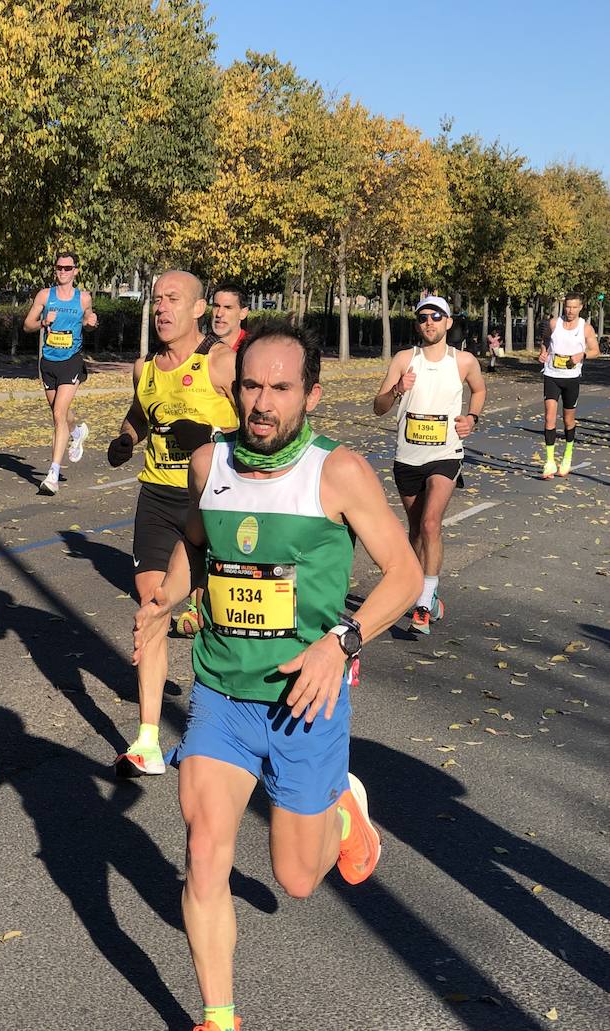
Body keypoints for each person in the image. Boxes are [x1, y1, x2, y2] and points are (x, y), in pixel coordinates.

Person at [135, 322, 422, 1031]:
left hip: (305, 696)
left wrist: (342, 641)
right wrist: (166, 599)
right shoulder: (209, 464)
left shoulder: (339, 472)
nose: (262, 402)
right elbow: (198, 549)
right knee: (203, 851)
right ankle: (220, 1017)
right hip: (223, 695)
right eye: (251, 386)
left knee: (297, 878)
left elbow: (407, 574)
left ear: (311, 395)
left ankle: (343, 809)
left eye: (280, 388)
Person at [107, 270, 237, 776]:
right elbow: (140, 414)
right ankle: (147, 741)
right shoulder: (145, 368)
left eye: (173, 300)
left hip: (214, 499)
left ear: (199, 308)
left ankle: (219, 726)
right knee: (153, 608)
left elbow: (261, 433)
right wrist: (125, 438)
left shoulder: (223, 363)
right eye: (156, 300)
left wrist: (206, 433)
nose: (161, 308)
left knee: (222, 616)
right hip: (158, 497)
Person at [372, 296, 485, 634]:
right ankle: (428, 598)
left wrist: (472, 419)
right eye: (422, 318)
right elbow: (378, 407)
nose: (429, 323)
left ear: (448, 322)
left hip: (446, 454)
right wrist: (396, 389)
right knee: (417, 530)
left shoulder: (463, 361)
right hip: (407, 457)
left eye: (436, 317)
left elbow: (478, 391)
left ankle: (423, 604)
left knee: (432, 523)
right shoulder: (405, 359)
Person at [22, 251, 97, 495]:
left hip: (71, 361)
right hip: (49, 362)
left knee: (58, 413)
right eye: (59, 268)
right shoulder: (45, 295)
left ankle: (52, 474)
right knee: (60, 413)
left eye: (67, 268)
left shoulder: (83, 297)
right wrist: (43, 322)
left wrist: (91, 320)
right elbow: (27, 325)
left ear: (76, 270)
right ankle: (78, 432)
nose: (63, 272)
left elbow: (88, 316)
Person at [538, 292, 599, 479]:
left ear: (581, 307)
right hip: (552, 374)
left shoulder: (585, 328)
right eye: (567, 306)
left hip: (572, 377)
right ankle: (549, 462)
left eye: (574, 307)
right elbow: (545, 340)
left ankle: (567, 455)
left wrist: (582, 355)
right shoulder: (554, 324)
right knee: (549, 417)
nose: (570, 310)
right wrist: (543, 353)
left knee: (568, 420)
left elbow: (596, 350)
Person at [209, 284, 250, 350]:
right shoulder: (198, 346)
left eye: (228, 307)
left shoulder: (253, 349)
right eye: (216, 306)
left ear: (243, 313)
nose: (219, 314)